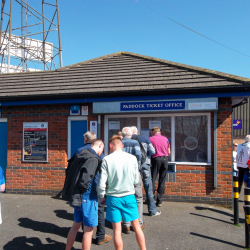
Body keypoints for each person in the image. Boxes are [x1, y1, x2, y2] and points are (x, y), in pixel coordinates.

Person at [97, 135, 146, 250]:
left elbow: (101, 182)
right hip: (129, 196)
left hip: (113, 198)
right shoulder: (132, 158)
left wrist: (101, 196)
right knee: (137, 227)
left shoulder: (106, 159)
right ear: (122, 145)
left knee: (117, 231)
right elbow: (136, 180)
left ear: (110, 145)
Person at [65, 139, 105, 250]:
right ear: (100, 145)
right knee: (88, 230)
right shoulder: (94, 159)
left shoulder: (81, 155)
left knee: (75, 226)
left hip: (78, 196)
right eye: (103, 148)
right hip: (88, 197)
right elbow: (85, 180)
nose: (102, 152)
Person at [75, 131, 112, 245]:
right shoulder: (97, 153)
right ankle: (100, 236)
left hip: (80, 191)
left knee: (80, 217)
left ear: (86, 139)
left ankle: (84, 233)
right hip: (93, 189)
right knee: (99, 211)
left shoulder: (79, 151)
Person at [131, 126, 161, 217]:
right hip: (145, 165)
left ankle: (135, 211)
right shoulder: (144, 138)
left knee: (135, 188)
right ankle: (152, 210)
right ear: (137, 131)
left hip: (134, 166)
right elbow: (153, 151)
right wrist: (147, 154)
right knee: (148, 187)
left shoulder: (129, 140)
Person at [121, 127, 144, 234]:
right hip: (134, 172)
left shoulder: (119, 143)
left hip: (121, 174)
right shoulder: (135, 142)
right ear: (131, 134)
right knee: (138, 197)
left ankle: (126, 224)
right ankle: (139, 222)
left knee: (124, 196)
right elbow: (139, 156)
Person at [149, 126, 170, 207]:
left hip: (155, 159)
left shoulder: (150, 139)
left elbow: (149, 150)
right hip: (165, 159)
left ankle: (151, 199)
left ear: (153, 132)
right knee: (162, 179)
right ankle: (159, 201)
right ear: (159, 132)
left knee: (152, 179)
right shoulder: (165, 139)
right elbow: (169, 151)